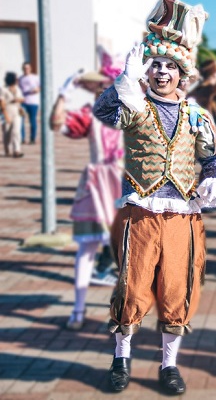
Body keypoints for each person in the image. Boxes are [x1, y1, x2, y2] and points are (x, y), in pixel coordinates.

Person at [93, 0, 216, 395]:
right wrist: (124, 80)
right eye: (155, 65)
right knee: (133, 287)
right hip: (141, 213)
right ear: (146, 69)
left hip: (184, 216)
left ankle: (168, 365)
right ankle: (121, 358)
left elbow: (212, 159)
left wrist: (215, 181)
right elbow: (105, 114)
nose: (161, 72)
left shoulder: (196, 114)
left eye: (170, 66)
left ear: (182, 74)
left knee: (177, 288)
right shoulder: (134, 106)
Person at [50, 69, 123, 330]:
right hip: (99, 184)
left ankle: (124, 312)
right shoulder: (90, 114)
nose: (105, 91)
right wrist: (64, 93)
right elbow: (56, 123)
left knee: (132, 253)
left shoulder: (139, 110)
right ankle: (78, 311)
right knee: (88, 249)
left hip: (129, 184)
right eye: (100, 87)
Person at [1, 72, 24, 157]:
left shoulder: (18, 89)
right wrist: (5, 115)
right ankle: (7, 149)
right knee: (6, 132)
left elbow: (22, 99)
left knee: (16, 131)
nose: (17, 80)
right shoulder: (3, 89)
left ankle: (17, 150)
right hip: (7, 111)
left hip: (17, 111)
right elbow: (2, 103)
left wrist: (18, 99)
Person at [18, 62, 40, 144]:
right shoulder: (20, 79)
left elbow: (41, 86)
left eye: (27, 68)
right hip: (23, 102)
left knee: (32, 121)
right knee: (20, 120)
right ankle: (22, 138)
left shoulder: (35, 77)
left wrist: (37, 90)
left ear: (30, 69)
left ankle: (32, 138)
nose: (26, 69)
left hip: (33, 102)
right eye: (24, 68)